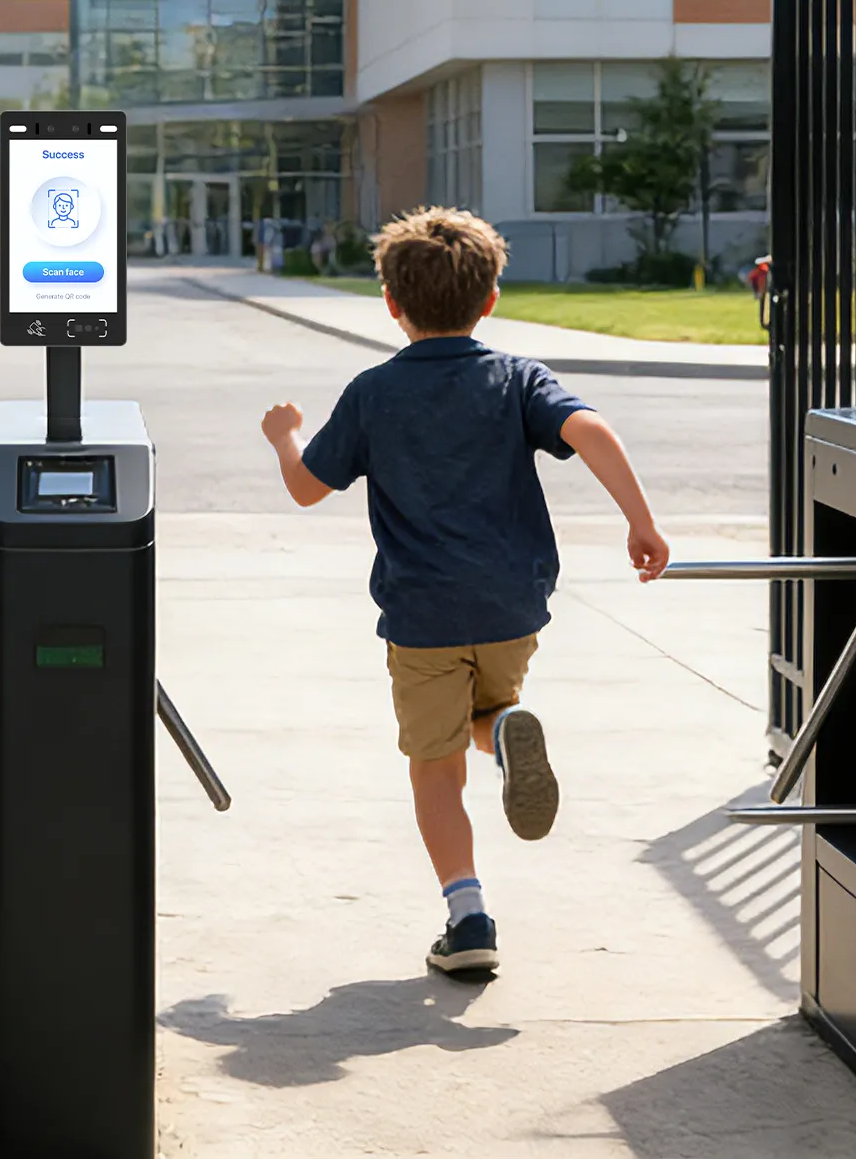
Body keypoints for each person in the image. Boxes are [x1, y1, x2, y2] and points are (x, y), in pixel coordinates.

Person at [257, 207, 669, 979]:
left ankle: (467, 914)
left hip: (423, 614)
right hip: (512, 605)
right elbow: (593, 432)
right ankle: (509, 728)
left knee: (435, 764)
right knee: (484, 713)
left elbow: (308, 488)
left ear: (390, 302)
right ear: (490, 299)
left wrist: (283, 434)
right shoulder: (516, 378)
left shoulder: (374, 391)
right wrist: (640, 523)